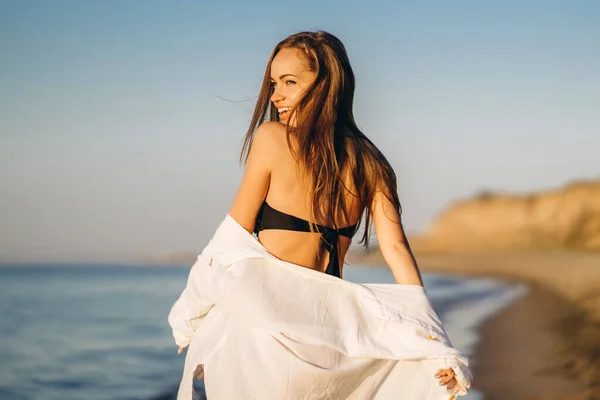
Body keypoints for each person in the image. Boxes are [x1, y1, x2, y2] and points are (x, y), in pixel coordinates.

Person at [169, 31, 471, 399]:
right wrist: (432, 337)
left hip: (262, 338)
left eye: (290, 82)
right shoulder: (372, 163)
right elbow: (397, 251)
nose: (276, 95)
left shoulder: (272, 138)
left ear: (326, 84)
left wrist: (187, 317)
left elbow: (229, 242)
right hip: (329, 341)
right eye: (274, 83)